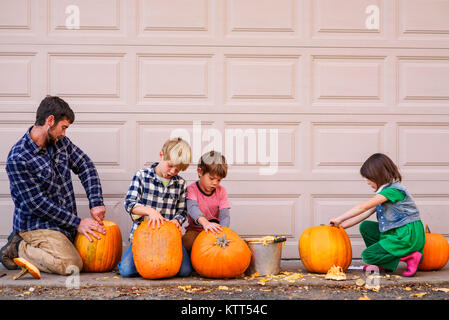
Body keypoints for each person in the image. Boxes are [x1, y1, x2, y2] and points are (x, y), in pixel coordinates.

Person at [0, 96, 106, 275]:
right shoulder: (18, 158)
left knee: (82, 256)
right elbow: (37, 204)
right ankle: (18, 246)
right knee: (71, 264)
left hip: (61, 224)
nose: (64, 133)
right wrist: (77, 222)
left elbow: (85, 165)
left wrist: (95, 202)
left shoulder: (60, 143)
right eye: (63, 127)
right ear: (50, 120)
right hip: (36, 225)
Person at [329, 153, 425, 277]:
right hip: (397, 232)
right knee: (366, 227)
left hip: (407, 236)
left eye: (369, 178)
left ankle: (410, 256)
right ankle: (386, 264)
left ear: (379, 176)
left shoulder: (393, 191)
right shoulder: (384, 193)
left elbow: (362, 207)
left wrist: (339, 218)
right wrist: (341, 227)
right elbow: (364, 213)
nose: (366, 181)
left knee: (368, 255)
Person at [118, 137, 193, 277]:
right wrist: (150, 211)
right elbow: (130, 203)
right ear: (161, 155)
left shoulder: (180, 184)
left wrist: (177, 220)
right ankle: (147, 265)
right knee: (126, 271)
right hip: (144, 237)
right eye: (170, 165)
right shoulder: (142, 176)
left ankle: (160, 265)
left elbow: (182, 211)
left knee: (185, 271)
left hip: (169, 238)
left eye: (177, 170)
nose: (172, 171)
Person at [182, 151, 231, 253]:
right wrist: (205, 223)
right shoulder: (192, 189)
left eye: (218, 180)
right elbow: (192, 208)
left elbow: (225, 215)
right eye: (211, 178)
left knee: (230, 246)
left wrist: (223, 232)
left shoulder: (221, 191)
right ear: (200, 172)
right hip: (196, 230)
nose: (215, 183)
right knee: (187, 241)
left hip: (215, 231)